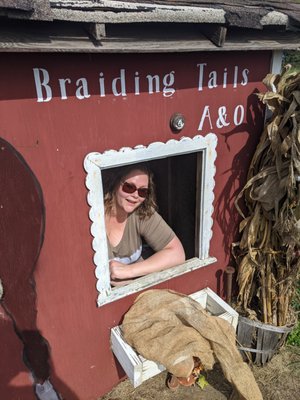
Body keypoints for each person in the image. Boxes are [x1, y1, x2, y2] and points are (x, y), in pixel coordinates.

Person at [104, 163, 185, 286]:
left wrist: (129, 271)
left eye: (142, 191)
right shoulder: (93, 217)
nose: (136, 195)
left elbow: (177, 253)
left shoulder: (141, 212)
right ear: (114, 182)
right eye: (129, 187)